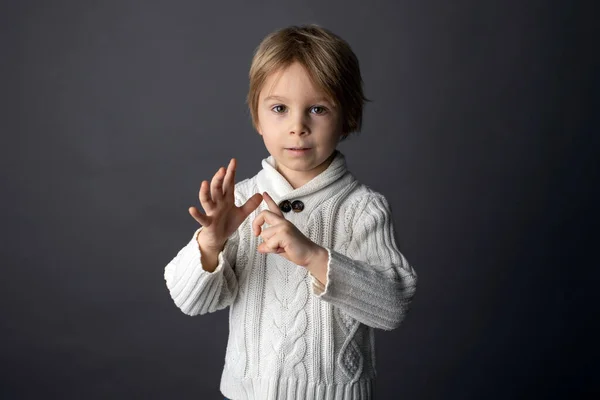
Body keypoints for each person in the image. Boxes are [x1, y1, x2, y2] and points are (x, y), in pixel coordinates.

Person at [163, 24, 418, 400]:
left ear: (347, 117)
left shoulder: (363, 208)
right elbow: (192, 301)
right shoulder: (241, 200)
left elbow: (393, 308)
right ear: (257, 117)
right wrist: (211, 242)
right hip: (247, 392)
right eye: (279, 109)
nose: (297, 127)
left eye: (317, 109)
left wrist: (315, 257)